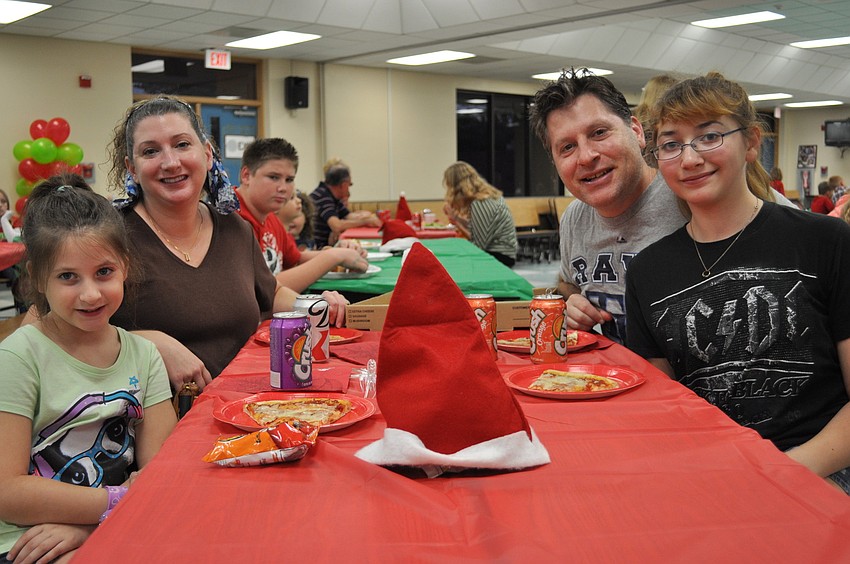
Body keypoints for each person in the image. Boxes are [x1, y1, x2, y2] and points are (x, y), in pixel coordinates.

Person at [625, 72, 850, 492]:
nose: (689, 158)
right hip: (708, 470)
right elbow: (663, 408)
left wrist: (779, 472)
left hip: (817, 467)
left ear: (750, 144)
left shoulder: (825, 241)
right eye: (671, 144)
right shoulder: (646, 272)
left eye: (709, 136)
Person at [528, 67, 791, 344]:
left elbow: (798, 238)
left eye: (599, 132)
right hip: (620, 378)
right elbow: (568, 282)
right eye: (567, 147)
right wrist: (572, 303)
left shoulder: (692, 190)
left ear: (637, 131)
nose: (586, 156)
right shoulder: (575, 219)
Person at [0, 174, 175, 562]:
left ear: (125, 267)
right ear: (38, 279)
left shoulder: (144, 356)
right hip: (31, 539)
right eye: (67, 277)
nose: (91, 293)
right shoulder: (18, 357)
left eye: (104, 272)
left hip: (113, 522)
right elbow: (8, 492)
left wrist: (98, 519)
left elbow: (161, 474)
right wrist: (113, 502)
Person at [105, 96, 324, 389]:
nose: (171, 162)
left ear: (207, 154)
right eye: (151, 151)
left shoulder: (234, 226)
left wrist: (314, 306)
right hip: (153, 422)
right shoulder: (109, 236)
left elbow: (270, 295)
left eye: (182, 144)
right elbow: (53, 331)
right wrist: (144, 343)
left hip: (246, 406)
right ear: (132, 168)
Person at [235, 137, 368, 295]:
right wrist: (332, 257)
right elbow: (262, 290)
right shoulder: (231, 220)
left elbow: (296, 259)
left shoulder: (268, 215)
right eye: (273, 177)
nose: (283, 188)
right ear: (246, 176)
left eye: (289, 179)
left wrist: (340, 253)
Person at [441, 161, 518, 267]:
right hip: (503, 253)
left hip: (500, 256)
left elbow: (477, 246)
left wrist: (457, 222)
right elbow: (477, 228)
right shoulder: (484, 198)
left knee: (450, 260)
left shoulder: (480, 203)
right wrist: (456, 218)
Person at [310, 161, 381, 248]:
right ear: (343, 185)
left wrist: (368, 217)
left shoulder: (332, 196)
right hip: (318, 249)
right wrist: (365, 221)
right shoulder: (322, 196)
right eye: (350, 184)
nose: (349, 188)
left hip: (328, 245)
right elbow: (337, 226)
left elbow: (349, 216)